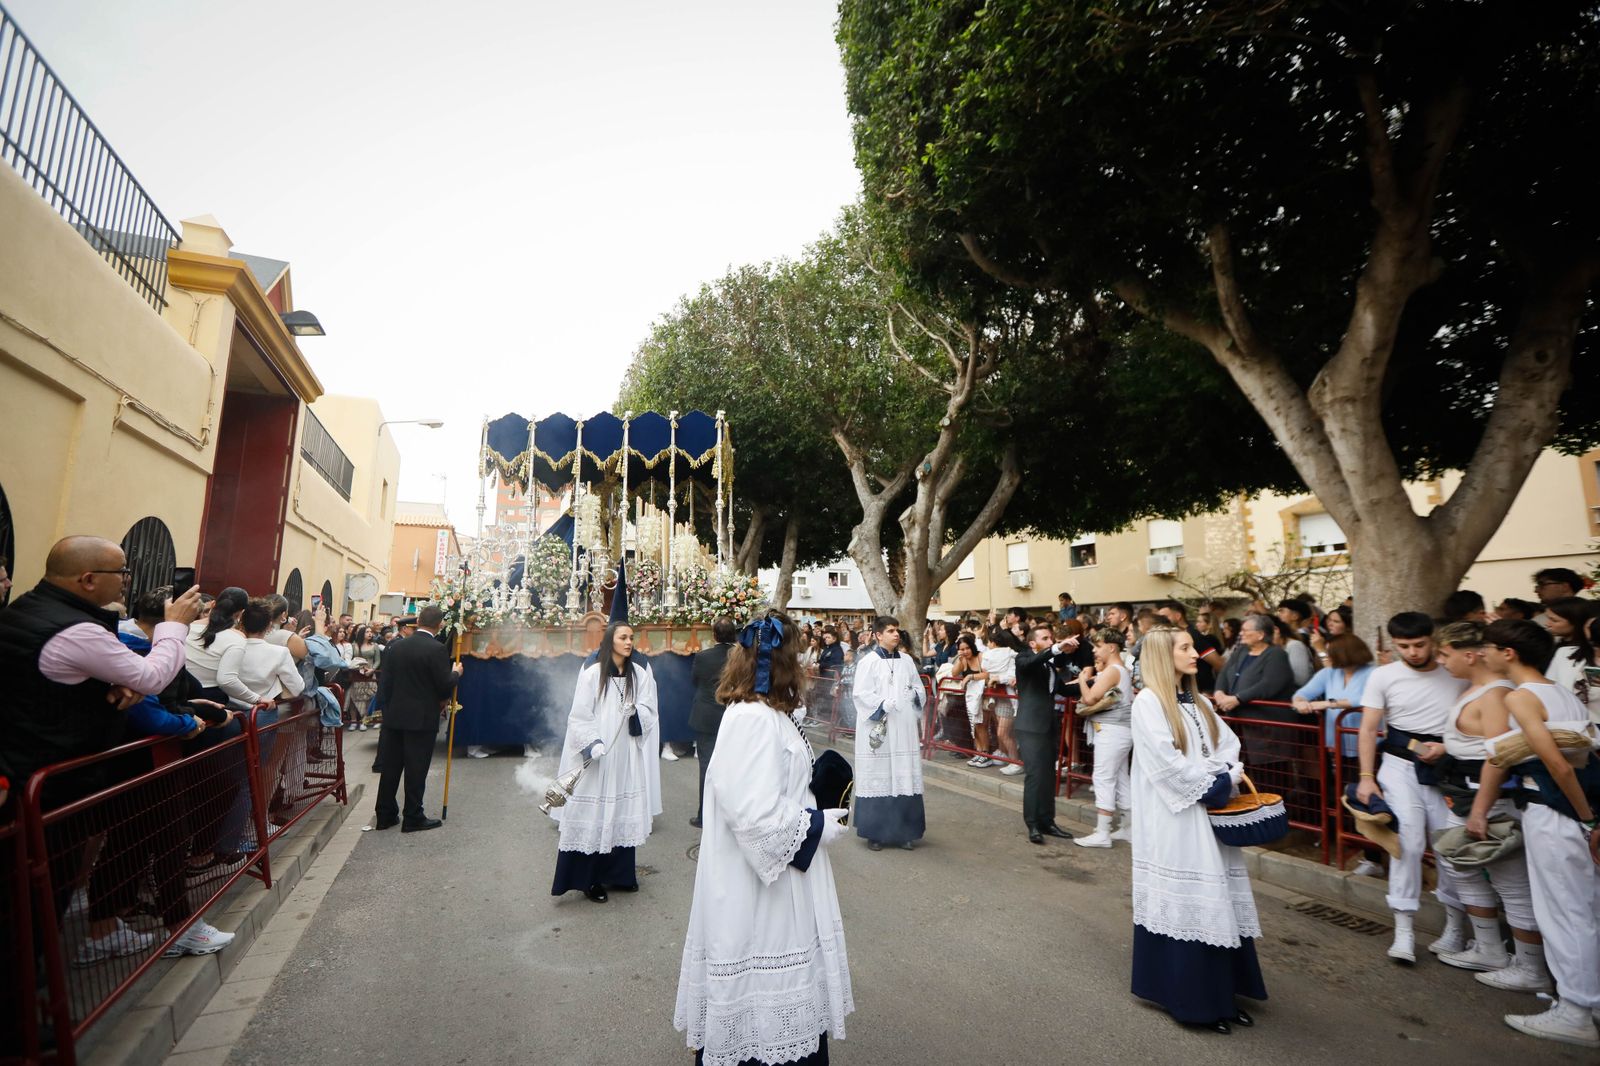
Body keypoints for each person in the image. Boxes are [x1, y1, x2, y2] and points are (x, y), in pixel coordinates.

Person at [0, 536, 205, 963]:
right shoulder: (75, 628)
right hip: (50, 781)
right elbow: (152, 678)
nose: (127, 582)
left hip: (29, 769)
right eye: (122, 572)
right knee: (40, 901)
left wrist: (109, 684)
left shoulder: (29, 609)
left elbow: (54, 680)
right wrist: (175, 627)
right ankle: (32, 1007)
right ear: (89, 579)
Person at [674, 610, 853, 1065]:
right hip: (759, 886)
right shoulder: (752, 717)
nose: (807, 664)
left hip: (780, 878)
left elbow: (776, 784)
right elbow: (753, 813)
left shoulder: (772, 713)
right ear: (781, 662)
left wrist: (817, 790)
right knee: (761, 993)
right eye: (799, 655)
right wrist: (817, 826)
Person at [1468, 620, 1600, 1048]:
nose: (1482, 654)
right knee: (1584, 909)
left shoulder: (1522, 697)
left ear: (1509, 653)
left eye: (1488, 647)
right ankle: (1584, 1003)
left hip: (1556, 813)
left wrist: (1588, 821)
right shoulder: (1561, 691)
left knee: (1564, 912)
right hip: (1571, 813)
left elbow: (1559, 766)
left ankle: (1576, 1011)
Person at [1130, 626, 1266, 1034]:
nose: (1196, 654)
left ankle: (1223, 994)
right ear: (1162, 655)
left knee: (1218, 895)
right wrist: (1214, 782)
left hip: (1209, 810)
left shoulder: (1201, 701)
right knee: (1191, 899)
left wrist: (1224, 774)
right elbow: (1164, 762)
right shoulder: (1148, 702)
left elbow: (1228, 746)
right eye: (1186, 648)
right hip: (1175, 818)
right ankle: (1192, 1001)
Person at [1430, 623, 1548, 988]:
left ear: (1469, 655)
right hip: (1467, 796)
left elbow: (1499, 756)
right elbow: (1477, 743)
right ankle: (1489, 949)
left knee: (1511, 883)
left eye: (1445, 654)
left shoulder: (1496, 695)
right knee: (1461, 869)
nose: (1441, 661)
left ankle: (1531, 969)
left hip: (1491, 801)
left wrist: (1481, 810)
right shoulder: (1478, 689)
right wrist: (1445, 748)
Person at [1354, 611, 1469, 963]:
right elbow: (1368, 728)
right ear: (1394, 644)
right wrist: (1366, 777)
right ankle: (1403, 931)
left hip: (1448, 766)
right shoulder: (1383, 675)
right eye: (1404, 646)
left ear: (1433, 639)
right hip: (1399, 765)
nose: (1414, 652)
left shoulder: (1455, 673)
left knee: (1449, 847)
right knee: (1407, 842)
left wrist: (1448, 748)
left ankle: (1454, 928)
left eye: (1420, 644)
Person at [550, 621, 661, 900]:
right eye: (623, 637)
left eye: (631, 637)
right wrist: (592, 743)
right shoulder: (593, 672)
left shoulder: (638, 672)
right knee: (594, 814)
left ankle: (620, 875)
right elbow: (579, 715)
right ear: (610, 640)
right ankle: (590, 881)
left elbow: (650, 709)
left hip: (624, 756)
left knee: (620, 812)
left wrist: (635, 712)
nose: (629, 642)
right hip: (600, 756)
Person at [372, 604, 460, 833]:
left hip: (394, 717)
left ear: (418, 621)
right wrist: (456, 674)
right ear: (439, 624)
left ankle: (385, 814)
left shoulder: (396, 647)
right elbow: (443, 684)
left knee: (390, 768)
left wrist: (386, 709)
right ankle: (413, 815)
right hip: (421, 719)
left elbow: (385, 683)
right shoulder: (437, 649)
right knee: (416, 768)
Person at [851, 615, 926, 851]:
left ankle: (905, 832)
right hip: (879, 727)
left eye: (897, 630)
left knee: (902, 775)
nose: (896, 634)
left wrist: (911, 695)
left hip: (903, 728)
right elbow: (860, 694)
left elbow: (918, 688)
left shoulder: (906, 661)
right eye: (891, 630)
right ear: (878, 635)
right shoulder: (868, 662)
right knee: (880, 775)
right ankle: (876, 833)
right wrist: (883, 703)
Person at [1014, 623, 1076, 845]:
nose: (1051, 641)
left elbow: (1065, 690)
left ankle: (1047, 821)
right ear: (1033, 643)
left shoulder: (1048, 667)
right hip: (1029, 727)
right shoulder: (1023, 659)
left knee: (1049, 776)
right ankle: (1032, 824)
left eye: (1052, 638)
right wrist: (1057, 648)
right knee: (1034, 776)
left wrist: (1098, 682)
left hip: (1048, 726)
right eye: (1046, 638)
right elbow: (1032, 662)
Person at [1074, 627, 1133, 848]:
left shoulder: (1112, 671)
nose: (1095, 651)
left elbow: (1089, 699)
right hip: (1121, 731)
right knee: (1120, 778)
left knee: (1103, 777)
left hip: (1111, 730)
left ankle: (1102, 832)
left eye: (1098, 647)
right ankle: (1128, 828)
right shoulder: (1122, 669)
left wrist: (1082, 678)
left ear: (1111, 647)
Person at [688, 616, 736, 828]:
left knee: (707, 767)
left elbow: (694, 680)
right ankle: (731, 815)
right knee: (734, 766)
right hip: (733, 716)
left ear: (714, 635)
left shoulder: (703, 656)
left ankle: (704, 815)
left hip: (707, 716)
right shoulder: (741, 657)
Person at [1542, 597, 1597, 721]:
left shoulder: (1583, 654)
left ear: (1577, 623)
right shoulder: (1561, 651)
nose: (1547, 624)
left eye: (1554, 620)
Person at [1157, 600, 1223, 692]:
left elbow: (1219, 664)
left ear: (1178, 616)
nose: (1161, 620)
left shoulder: (1193, 635)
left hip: (1201, 691)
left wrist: (1219, 690)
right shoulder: (1166, 637)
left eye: (1164, 616)